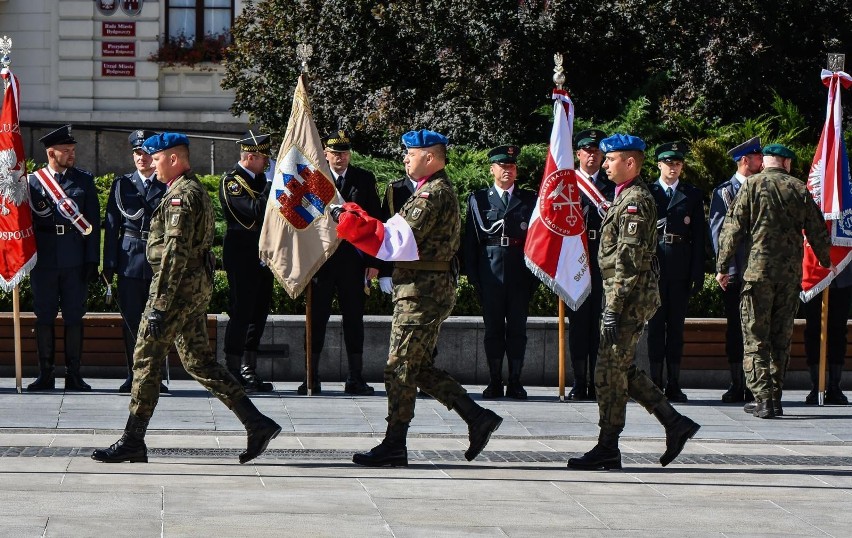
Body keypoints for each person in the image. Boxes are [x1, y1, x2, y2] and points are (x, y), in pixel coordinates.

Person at [92, 132, 280, 464]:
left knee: (146, 360)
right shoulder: (188, 190)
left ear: (174, 159)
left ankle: (133, 439)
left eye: (157, 157)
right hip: (190, 289)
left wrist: (160, 306)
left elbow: (174, 255)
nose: (152, 163)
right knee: (199, 362)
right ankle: (256, 423)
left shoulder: (182, 197)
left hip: (175, 292)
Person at [332, 129, 503, 467]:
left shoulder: (432, 195)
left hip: (422, 291)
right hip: (421, 288)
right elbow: (391, 229)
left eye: (410, 153)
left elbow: (394, 238)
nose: (405, 159)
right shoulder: (428, 191)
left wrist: (346, 219)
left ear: (429, 157)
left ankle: (395, 443)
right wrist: (348, 213)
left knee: (399, 367)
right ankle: (476, 416)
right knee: (418, 367)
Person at [567, 134, 700, 471]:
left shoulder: (634, 201)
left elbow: (628, 258)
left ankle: (608, 446)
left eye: (611, 159)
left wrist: (612, 306)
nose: (605, 164)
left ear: (629, 163)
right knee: (620, 368)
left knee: (607, 371)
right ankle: (674, 423)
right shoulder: (626, 195)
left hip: (627, 298)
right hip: (624, 295)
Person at [716, 143, 833, 419]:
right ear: (786, 163)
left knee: (756, 337)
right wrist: (827, 261)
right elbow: (817, 231)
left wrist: (722, 266)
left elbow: (732, 229)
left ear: (767, 162)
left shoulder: (751, 186)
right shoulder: (798, 189)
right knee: (781, 338)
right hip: (790, 276)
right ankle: (775, 397)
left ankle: (763, 398)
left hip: (758, 275)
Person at [300, 130, 382, 396]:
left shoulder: (363, 180)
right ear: (325, 153)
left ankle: (355, 377)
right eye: (335, 153)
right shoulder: (314, 180)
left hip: (353, 262)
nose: (340, 158)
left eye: (345, 153)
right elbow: (302, 223)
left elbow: (374, 222)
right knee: (316, 318)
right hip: (321, 262)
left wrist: (373, 261)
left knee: (354, 319)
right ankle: (311, 376)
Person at [27, 124, 100, 392]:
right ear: (51, 152)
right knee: (43, 315)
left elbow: (93, 222)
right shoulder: (33, 183)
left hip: (74, 257)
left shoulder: (83, 180)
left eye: (73, 150)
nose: (71, 154)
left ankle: (74, 374)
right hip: (43, 259)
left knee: (73, 316)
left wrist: (93, 259)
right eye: (66, 150)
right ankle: (45, 374)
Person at [463, 144, 538, 399]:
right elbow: (471, 241)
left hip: (520, 272)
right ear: (492, 169)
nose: (508, 171)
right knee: (493, 329)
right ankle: (495, 381)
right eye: (503, 166)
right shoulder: (479, 199)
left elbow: (537, 241)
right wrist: (473, 276)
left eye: (512, 167)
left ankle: (515, 381)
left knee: (518, 329)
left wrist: (535, 277)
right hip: (490, 271)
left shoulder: (529, 199)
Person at [103, 129, 169, 394]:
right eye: (137, 153)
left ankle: (154, 376)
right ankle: (133, 375)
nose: (141, 158)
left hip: (158, 260)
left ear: (154, 156)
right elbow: (111, 225)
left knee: (157, 321)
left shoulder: (167, 184)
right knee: (131, 321)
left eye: (145, 153)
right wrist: (108, 264)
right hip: (129, 259)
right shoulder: (122, 185)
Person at [647, 142, 705, 402]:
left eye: (678, 163)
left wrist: (697, 272)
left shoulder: (691, 194)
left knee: (677, 329)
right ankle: (655, 381)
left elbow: (699, 237)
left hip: (680, 267)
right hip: (656, 267)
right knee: (656, 327)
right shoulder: (648, 192)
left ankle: (674, 382)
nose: (673, 168)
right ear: (659, 164)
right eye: (669, 163)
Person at [219, 130, 275, 393]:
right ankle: (232, 369)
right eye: (264, 158)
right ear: (251, 156)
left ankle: (249, 369)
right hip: (243, 254)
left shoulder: (262, 179)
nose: (268, 162)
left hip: (265, 255)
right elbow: (254, 213)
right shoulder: (233, 182)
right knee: (241, 312)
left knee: (259, 313)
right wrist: (273, 185)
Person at [709, 136, 763, 403]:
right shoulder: (724, 192)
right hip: (736, 271)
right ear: (745, 161)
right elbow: (719, 233)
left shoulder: (762, 188)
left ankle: (755, 384)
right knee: (735, 328)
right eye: (757, 158)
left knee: (756, 328)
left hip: (759, 271)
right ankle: (736, 383)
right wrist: (726, 268)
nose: (762, 162)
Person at [565, 128, 614, 400]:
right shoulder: (568, 185)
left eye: (596, 150)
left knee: (599, 323)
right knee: (578, 324)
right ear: (578, 154)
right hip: (575, 260)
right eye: (587, 150)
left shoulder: (610, 185)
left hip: (602, 258)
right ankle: (578, 380)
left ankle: (596, 380)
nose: (592, 155)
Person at [802, 265, 852, 405]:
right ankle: (817, 386)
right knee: (813, 331)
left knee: (838, 331)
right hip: (813, 277)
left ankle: (834, 386)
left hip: (842, 276)